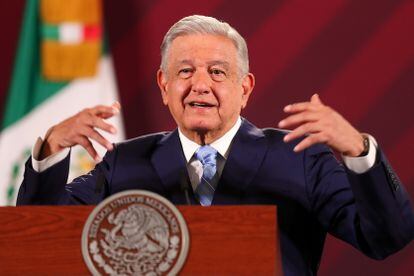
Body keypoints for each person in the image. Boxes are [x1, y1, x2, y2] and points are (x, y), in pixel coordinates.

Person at [17, 15, 414, 275]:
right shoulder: (125, 162)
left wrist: (359, 153)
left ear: (245, 89)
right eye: (185, 71)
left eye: (217, 72)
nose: (200, 85)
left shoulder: (300, 157)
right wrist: (51, 151)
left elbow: (387, 238)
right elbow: (37, 245)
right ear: (164, 86)